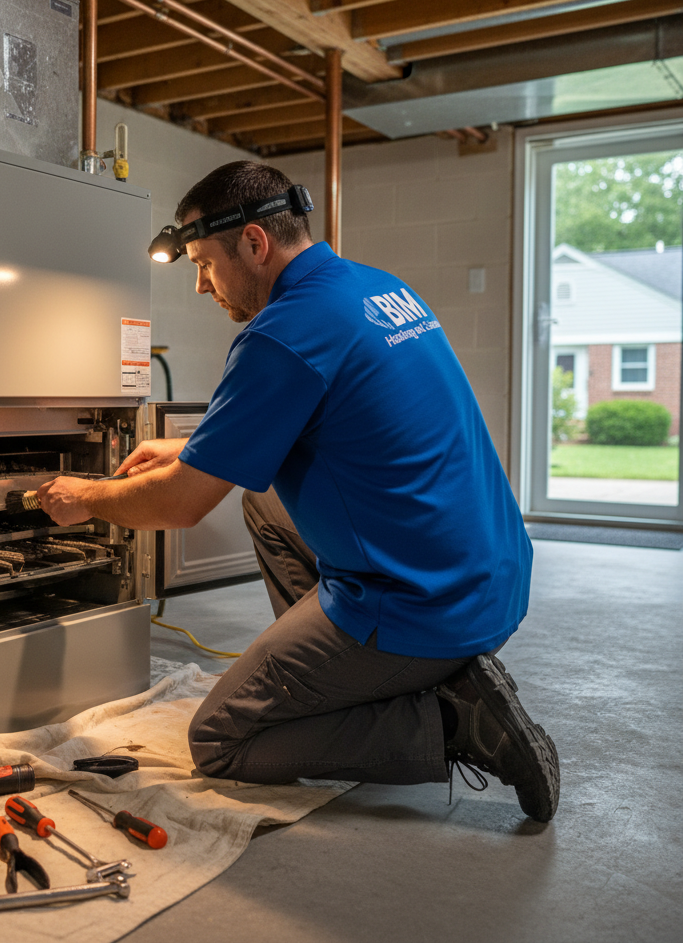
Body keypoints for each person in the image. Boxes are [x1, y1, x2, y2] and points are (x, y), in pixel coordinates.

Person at [38, 160, 559, 822]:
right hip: (492, 576)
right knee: (263, 498)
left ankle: (453, 724)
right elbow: (335, 420)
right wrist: (190, 451)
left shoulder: (282, 332)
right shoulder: (377, 290)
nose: (200, 285)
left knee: (223, 739)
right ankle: (342, 686)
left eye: (203, 263)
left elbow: (181, 503)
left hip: (421, 606)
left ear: (254, 244)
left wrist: (85, 496)